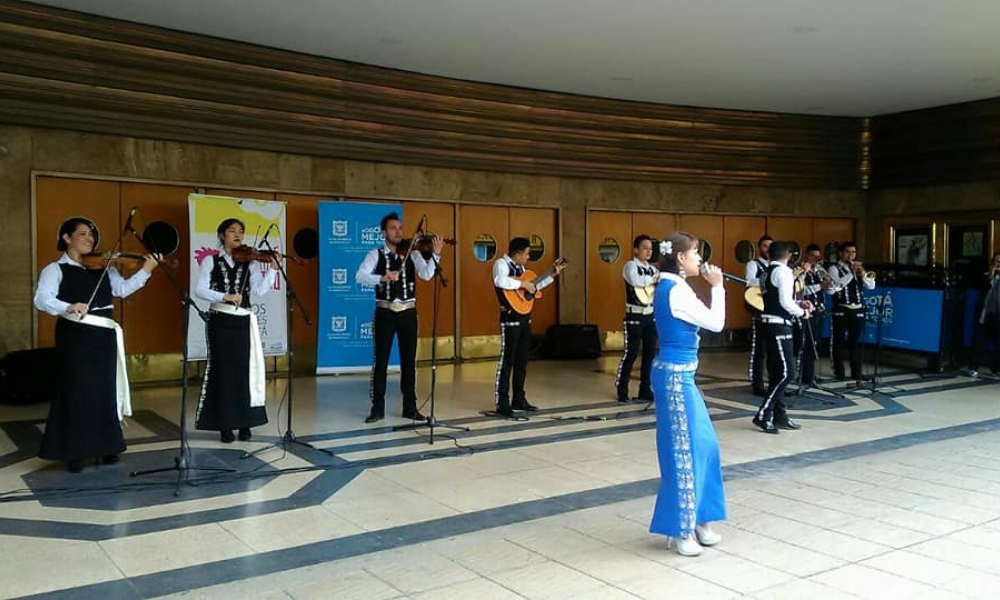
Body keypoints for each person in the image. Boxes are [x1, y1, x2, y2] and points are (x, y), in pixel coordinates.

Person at [33, 217, 159, 472]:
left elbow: (122, 290)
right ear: (67, 238)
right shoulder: (54, 269)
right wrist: (68, 305)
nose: (89, 238)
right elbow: (41, 299)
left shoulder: (104, 267)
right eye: (82, 234)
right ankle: (75, 452)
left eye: (91, 234)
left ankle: (107, 446)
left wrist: (146, 270)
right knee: (78, 391)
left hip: (104, 336)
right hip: (76, 336)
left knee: (104, 390)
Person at [649, 231, 726, 557]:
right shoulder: (676, 290)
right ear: (681, 257)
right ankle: (681, 529)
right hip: (674, 378)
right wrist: (718, 288)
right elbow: (716, 323)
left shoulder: (675, 286)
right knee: (683, 451)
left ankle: (699, 519)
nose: (700, 259)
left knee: (704, 444)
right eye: (696, 253)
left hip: (681, 376)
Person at [195, 218, 279, 443]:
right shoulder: (211, 261)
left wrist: (272, 269)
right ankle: (225, 424)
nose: (237, 235)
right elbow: (200, 290)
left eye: (241, 231)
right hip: (220, 321)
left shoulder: (250, 261)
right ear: (222, 235)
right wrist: (224, 296)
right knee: (223, 371)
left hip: (243, 321)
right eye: (232, 231)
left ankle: (245, 422)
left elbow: (260, 291)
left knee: (245, 371)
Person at [355, 212, 443, 424]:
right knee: (381, 361)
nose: (399, 232)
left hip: (408, 312)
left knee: (409, 361)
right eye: (393, 228)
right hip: (385, 311)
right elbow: (360, 276)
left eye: (400, 228)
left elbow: (427, 274)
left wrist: (436, 254)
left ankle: (410, 407)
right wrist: (382, 277)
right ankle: (377, 408)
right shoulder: (375, 254)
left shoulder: (413, 254)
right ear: (384, 232)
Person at [493, 237, 564, 417]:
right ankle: (502, 401)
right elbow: (500, 281)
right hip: (510, 318)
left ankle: (519, 397)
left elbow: (533, 287)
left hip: (525, 317)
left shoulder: (522, 269)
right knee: (507, 360)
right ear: (517, 254)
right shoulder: (501, 264)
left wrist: (552, 275)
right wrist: (522, 283)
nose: (528, 256)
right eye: (526, 253)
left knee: (522, 360)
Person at [754, 241, 813, 434]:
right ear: (788, 255)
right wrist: (802, 312)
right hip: (780, 326)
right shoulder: (784, 272)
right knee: (788, 372)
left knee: (776, 371)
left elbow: (775, 298)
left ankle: (780, 416)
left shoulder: (764, 272)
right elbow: (785, 302)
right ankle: (764, 414)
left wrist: (798, 303)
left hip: (767, 324)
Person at [615, 235, 659, 403]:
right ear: (636, 250)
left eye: (650, 248)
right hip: (634, 314)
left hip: (650, 315)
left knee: (649, 354)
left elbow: (657, 284)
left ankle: (645, 389)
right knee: (631, 353)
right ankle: (622, 388)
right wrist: (653, 281)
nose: (649, 251)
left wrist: (655, 280)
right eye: (645, 248)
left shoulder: (653, 269)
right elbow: (636, 281)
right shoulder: (630, 265)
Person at [827, 242, 875, 381]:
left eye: (853, 252)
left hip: (858, 308)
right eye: (848, 252)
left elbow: (871, 286)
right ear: (841, 253)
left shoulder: (859, 269)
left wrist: (862, 274)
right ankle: (839, 371)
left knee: (856, 342)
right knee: (838, 341)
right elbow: (837, 285)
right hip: (841, 308)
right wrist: (851, 273)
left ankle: (857, 372)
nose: (851, 255)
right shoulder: (833, 268)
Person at [797, 244, 831, 384]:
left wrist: (828, 284)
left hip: (818, 311)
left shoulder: (818, 270)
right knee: (806, 344)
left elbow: (830, 289)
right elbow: (800, 291)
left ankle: (811, 375)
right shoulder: (799, 271)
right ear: (805, 255)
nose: (815, 259)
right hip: (806, 312)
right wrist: (819, 286)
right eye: (812, 256)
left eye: (817, 257)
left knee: (815, 344)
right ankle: (803, 375)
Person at [745, 235, 773, 396]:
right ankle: (757, 384)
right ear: (759, 248)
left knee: (772, 350)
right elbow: (749, 281)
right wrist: (768, 280)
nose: (768, 249)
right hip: (759, 309)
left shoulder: (777, 265)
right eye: (764, 246)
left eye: (771, 246)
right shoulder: (753, 264)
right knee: (759, 350)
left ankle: (772, 381)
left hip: (774, 311)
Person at [968, 251, 1000, 377]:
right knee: (978, 341)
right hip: (984, 314)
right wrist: (991, 277)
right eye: (996, 262)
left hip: (998, 315)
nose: (998, 265)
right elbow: (980, 286)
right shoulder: (985, 277)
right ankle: (973, 367)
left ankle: (997, 368)